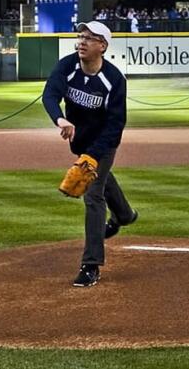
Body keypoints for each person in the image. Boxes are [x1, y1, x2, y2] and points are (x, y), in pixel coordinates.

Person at [41, 20, 137, 288]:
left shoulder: (114, 80)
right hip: (80, 139)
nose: (82, 41)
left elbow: (116, 125)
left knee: (93, 194)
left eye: (90, 38)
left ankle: (91, 265)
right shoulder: (68, 65)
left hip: (104, 142)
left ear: (102, 46)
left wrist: (93, 155)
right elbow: (50, 95)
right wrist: (60, 119)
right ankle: (126, 215)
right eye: (81, 36)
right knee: (102, 178)